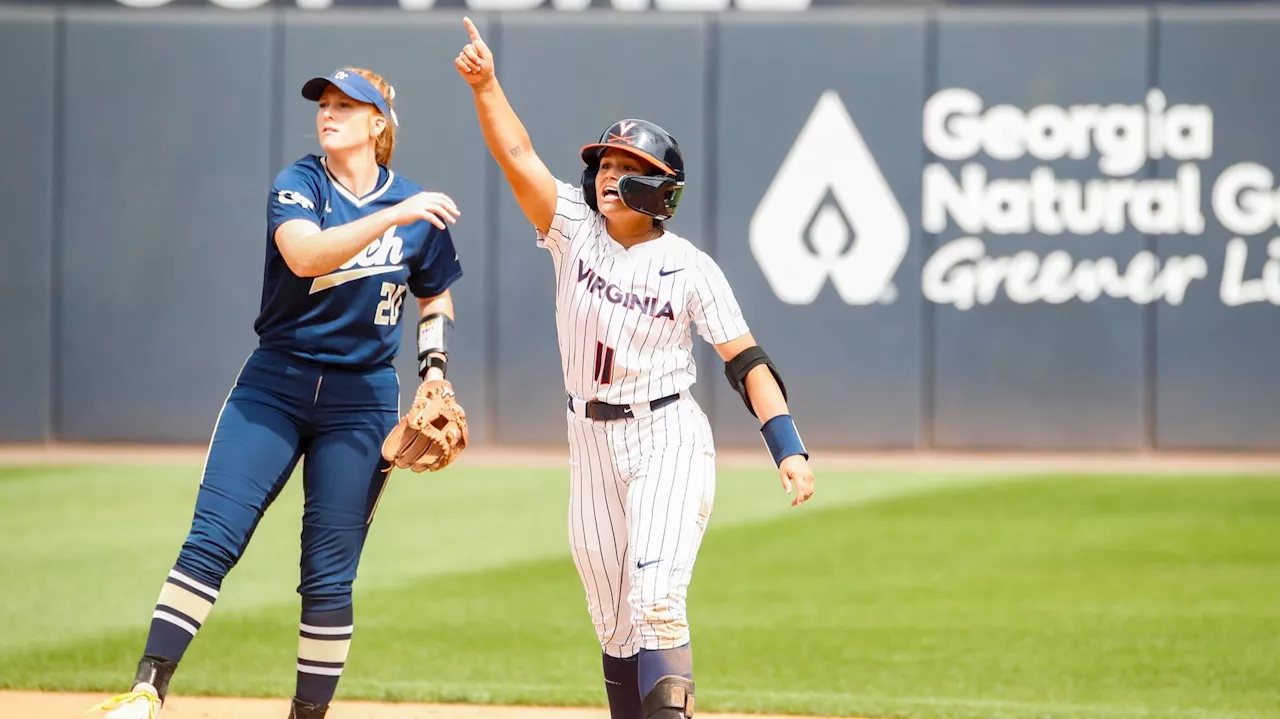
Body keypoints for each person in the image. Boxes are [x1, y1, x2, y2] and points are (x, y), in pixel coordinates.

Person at [452, 18, 816, 719]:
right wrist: (486, 85)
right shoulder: (572, 229)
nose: (610, 177)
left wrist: (788, 446)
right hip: (587, 441)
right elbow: (519, 156)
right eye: (606, 167)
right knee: (612, 620)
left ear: (661, 188)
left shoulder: (689, 268)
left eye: (627, 169)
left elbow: (746, 361)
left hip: (667, 437)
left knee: (655, 600)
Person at [90, 66, 467, 719]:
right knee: (214, 534)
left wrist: (434, 364)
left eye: (349, 105)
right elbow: (305, 257)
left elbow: (434, 292)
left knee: (328, 571)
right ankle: (147, 688)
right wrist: (394, 215)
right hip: (276, 384)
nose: (330, 112)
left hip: (362, 398)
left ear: (379, 124)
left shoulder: (417, 210)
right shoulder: (301, 185)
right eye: (325, 102)